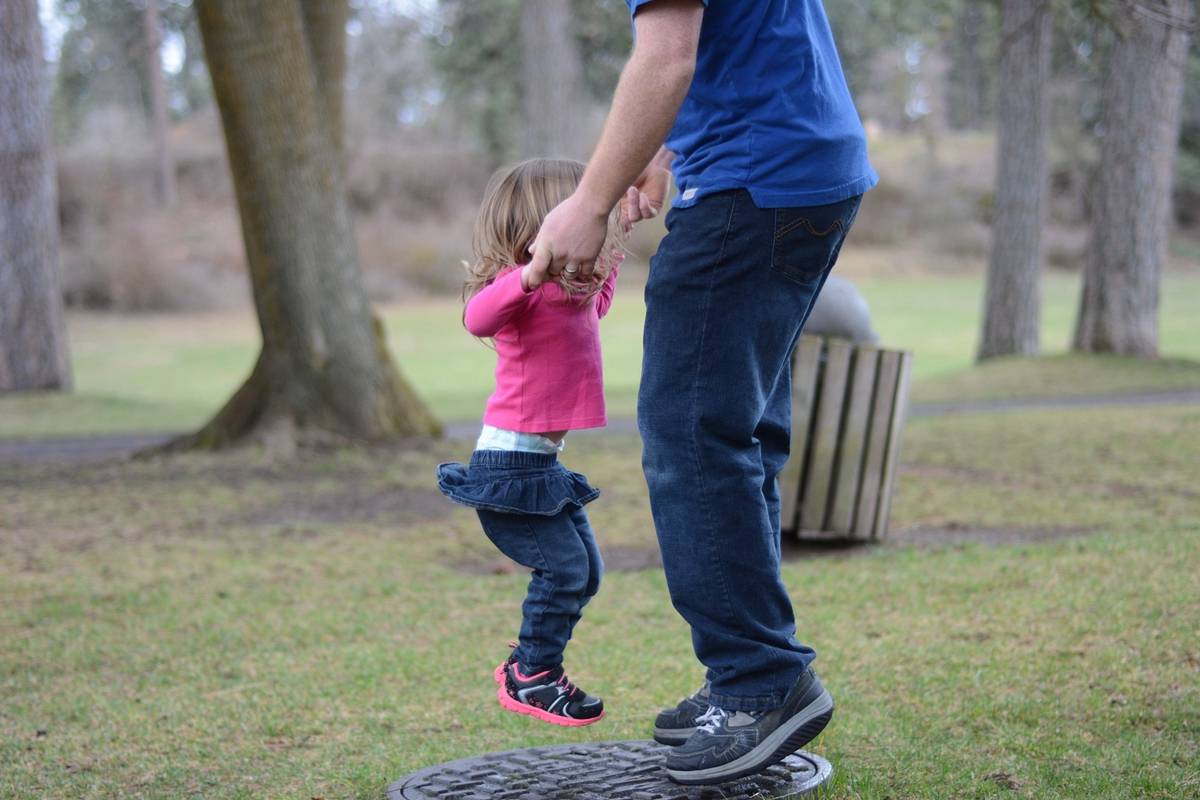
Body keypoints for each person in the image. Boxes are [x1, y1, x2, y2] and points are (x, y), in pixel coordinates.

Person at [523, 0, 877, 785]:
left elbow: (667, 56)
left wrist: (588, 202)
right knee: (737, 432)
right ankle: (746, 678)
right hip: (802, 169)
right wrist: (667, 145)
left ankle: (760, 680)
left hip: (753, 185)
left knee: (691, 436)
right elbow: (735, 43)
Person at [436, 158, 625, 727]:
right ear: (545, 226)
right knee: (566, 572)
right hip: (508, 469)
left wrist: (620, 237)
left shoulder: (568, 297)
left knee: (586, 572)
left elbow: (599, 302)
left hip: (539, 468)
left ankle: (531, 665)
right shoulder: (517, 292)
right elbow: (475, 318)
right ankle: (533, 675)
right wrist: (529, 273)